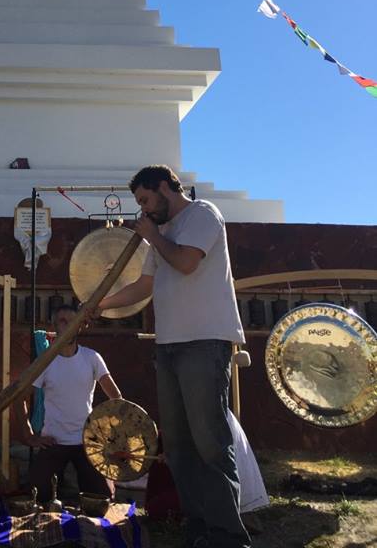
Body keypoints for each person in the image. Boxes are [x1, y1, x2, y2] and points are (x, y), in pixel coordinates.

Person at [97, 165, 249, 548]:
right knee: (179, 446)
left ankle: (228, 534)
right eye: (140, 205)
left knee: (209, 441)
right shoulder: (161, 233)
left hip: (204, 342)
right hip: (168, 346)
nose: (144, 210)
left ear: (164, 186)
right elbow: (144, 286)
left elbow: (185, 263)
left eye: (146, 200)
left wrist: (151, 237)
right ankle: (198, 527)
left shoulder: (203, 215)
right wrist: (98, 305)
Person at [16, 303, 121, 503]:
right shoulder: (45, 362)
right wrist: (29, 435)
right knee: (37, 495)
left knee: (103, 497)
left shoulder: (92, 358)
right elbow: (18, 396)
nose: (68, 326)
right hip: (53, 441)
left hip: (86, 440)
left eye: (73, 321)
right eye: (63, 321)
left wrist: (108, 435)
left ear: (80, 326)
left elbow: (116, 398)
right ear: (54, 325)